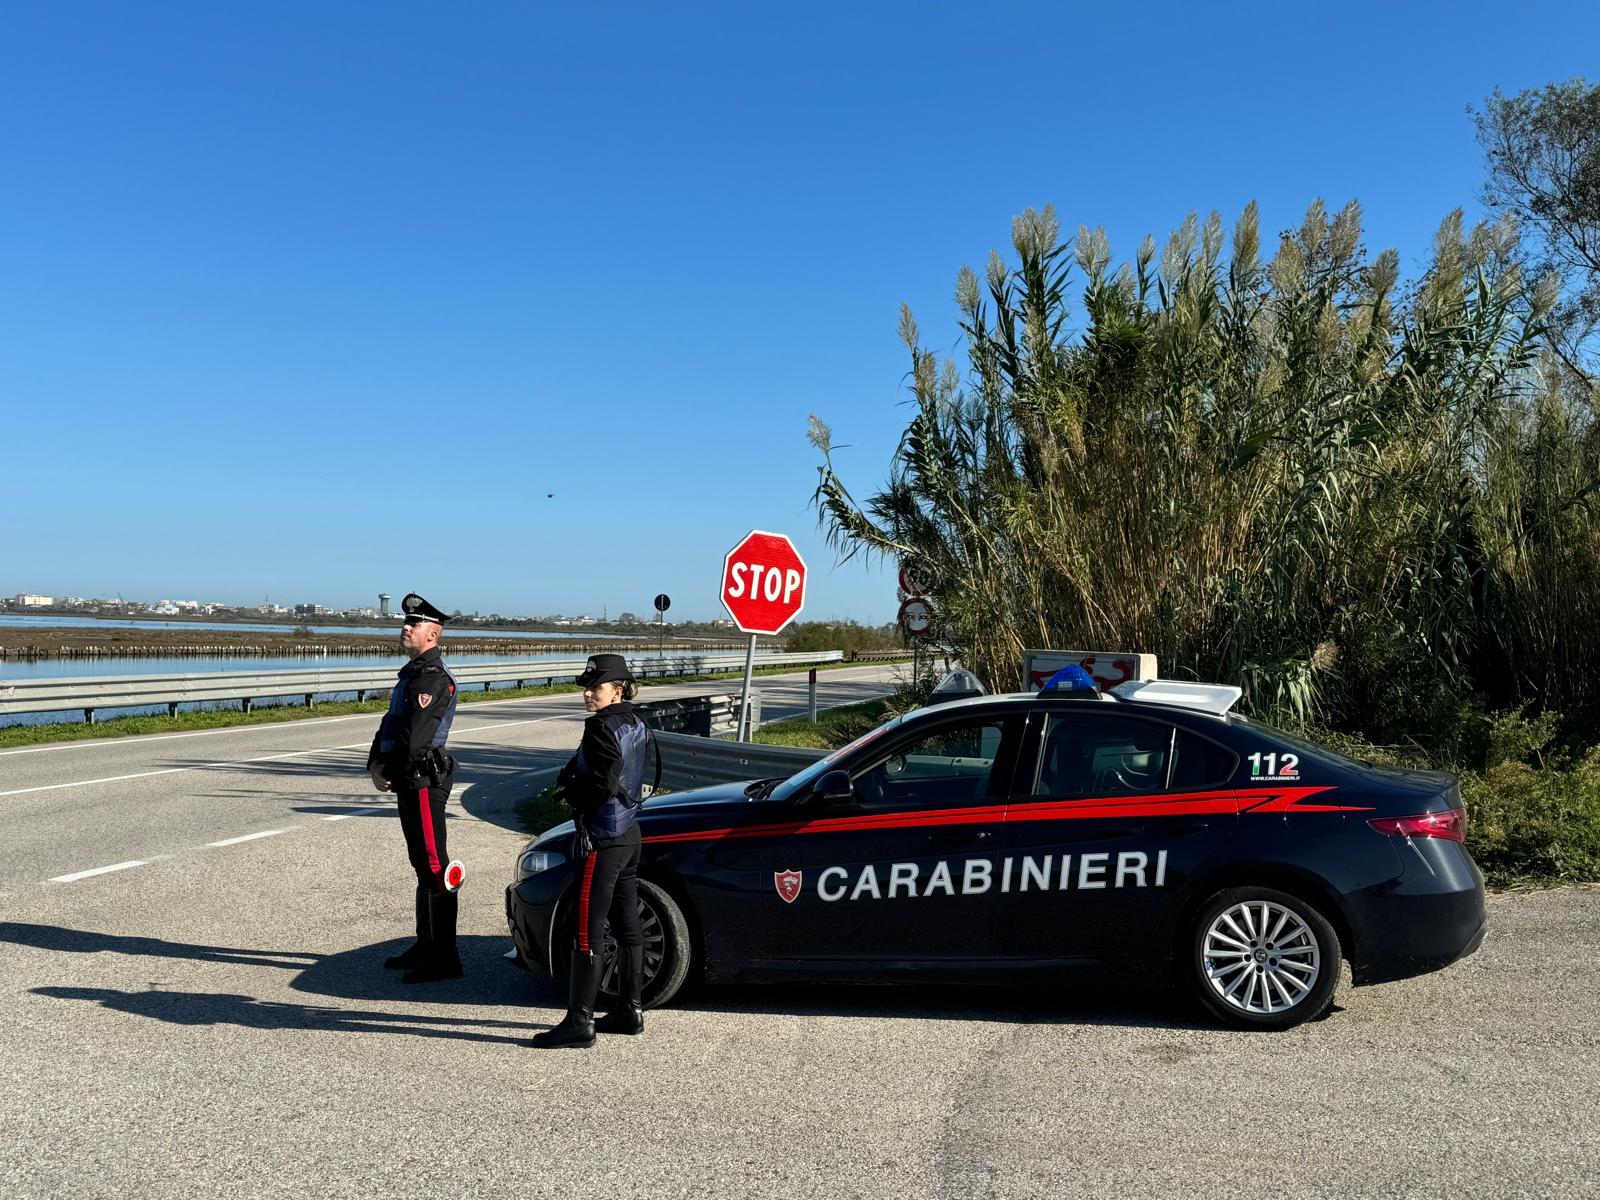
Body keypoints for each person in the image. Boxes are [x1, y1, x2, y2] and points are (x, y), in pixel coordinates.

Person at [531, 653, 653, 1049]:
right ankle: (630, 1010)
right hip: (629, 833)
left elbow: (603, 784)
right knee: (628, 925)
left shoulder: (601, 727)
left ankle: (579, 1021)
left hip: (603, 836)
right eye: (586, 687)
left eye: (595, 687)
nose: (587, 693)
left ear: (617, 690)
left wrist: (573, 794)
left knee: (587, 929)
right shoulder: (635, 722)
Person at [366, 592, 463, 984]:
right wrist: (375, 765)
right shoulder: (411, 675)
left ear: (432, 635)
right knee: (421, 864)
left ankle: (445, 958)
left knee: (435, 865)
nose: (405, 628)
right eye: (405, 622)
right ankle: (426, 945)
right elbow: (390, 725)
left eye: (414, 623)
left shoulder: (434, 679)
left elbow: (416, 740)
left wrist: (391, 769)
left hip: (423, 778)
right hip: (408, 777)